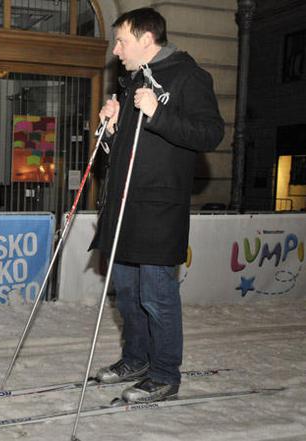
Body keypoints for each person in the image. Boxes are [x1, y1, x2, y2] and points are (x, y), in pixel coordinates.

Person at [89, 8, 224, 403]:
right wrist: (111, 130)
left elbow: (210, 134)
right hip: (123, 209)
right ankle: (136, 359)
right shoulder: (133, 81)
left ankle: (164, 374)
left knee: (156, 296)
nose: (116, 51)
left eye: (121, 41)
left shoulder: (188, 76)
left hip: (158, 211)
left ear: (146, 39)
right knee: (127, 295)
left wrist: (158, 112)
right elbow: (126, 154)